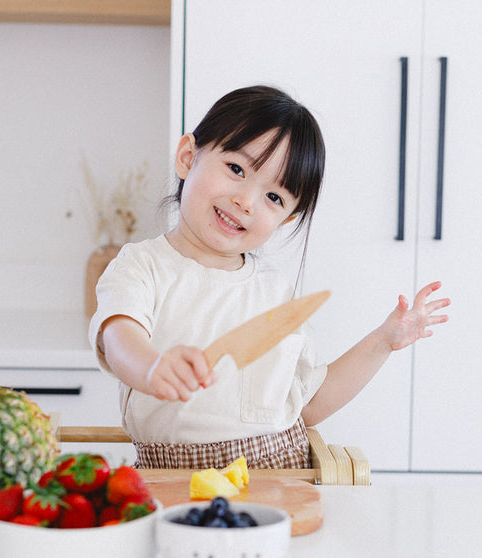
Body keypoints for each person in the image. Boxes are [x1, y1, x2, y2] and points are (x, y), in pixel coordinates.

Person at [89, 85, 449, 470]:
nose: (245, 201)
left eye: (274, 197)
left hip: (283, 478)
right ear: (187, 157)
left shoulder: (276, 292)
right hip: (174, 481)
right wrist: (150, 366)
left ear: (286, 219)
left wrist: (384, 341)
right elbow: (117, 335)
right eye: (236, 169)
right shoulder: (141, 266)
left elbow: (308, 405)